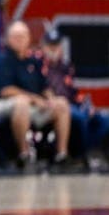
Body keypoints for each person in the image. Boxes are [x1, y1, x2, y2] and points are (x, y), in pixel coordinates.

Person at [0, 20, 72, 169]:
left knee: (61, 104)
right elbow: (6, 91)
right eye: (16, 36)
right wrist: (35, 99)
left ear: (29, 38)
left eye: (23, 36)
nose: (20, 40)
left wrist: (50, 98)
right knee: (21, 102)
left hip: (32, 106)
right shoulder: (1, 60)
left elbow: (44, 86)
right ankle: (24, 154)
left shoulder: (33, 61)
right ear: (8, 39)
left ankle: (61, 154)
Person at [41, 29, 108, 170]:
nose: (54, 48)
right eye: (50, 45)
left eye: (56, 45)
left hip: (71, 103)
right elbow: (39, 88)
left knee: (102, 119)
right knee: (80, 117)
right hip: (53, 105)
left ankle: (94, 151)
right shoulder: (37, 65)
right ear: (44, 46)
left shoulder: (65, 66)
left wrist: (87, 104)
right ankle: (79, 155)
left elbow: (73, 92)